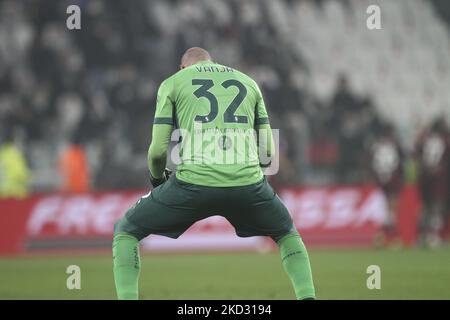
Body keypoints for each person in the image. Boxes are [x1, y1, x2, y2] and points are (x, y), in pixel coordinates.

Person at [112, 47, 315, 300]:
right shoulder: (248, 82)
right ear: (214, 63)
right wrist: (254, 180)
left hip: (193, 183)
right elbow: (269, 150)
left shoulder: (173, 83)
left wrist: (157, 180)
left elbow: (157, 152)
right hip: (248, 183)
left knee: (126, 229)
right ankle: (307, 297)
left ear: (183, 67)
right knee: (286, 233)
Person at [368, 122, 404, 248]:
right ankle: (393, 239)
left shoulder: (377, 146)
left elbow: (372, 163)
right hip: (393, 179)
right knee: (391, 210)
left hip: (380, 179)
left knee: (385, 211)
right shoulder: (395, 146)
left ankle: (381, 239)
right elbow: (400, 164)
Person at [415, 118, 450, 247]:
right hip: (439, 179)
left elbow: (417, 154)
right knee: (437, 208)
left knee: (425, 207)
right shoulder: (445, 141)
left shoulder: (425, 140)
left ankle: (420, 237)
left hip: (425, 177)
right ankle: (434, 236)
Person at [0, 130, 31, 198]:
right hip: (15, 192)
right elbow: (19, 173)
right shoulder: (13, 154)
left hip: (3, 192)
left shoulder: (3, 153)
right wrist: (28, 176)